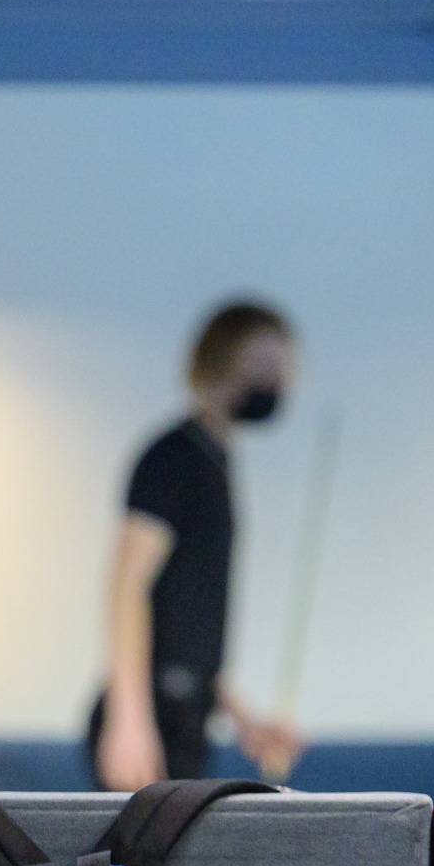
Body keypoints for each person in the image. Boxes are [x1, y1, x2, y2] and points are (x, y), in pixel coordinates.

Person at [91, 300, 304, 790]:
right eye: (261, 364)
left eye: (281, 369)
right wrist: (130, 721)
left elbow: (190, 631)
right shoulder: (172, 459)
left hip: (184, 720)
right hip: (150, 720)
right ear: (216, 362)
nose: (274, 382)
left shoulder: (215, 462)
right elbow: (126, 587)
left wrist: (245, 721)